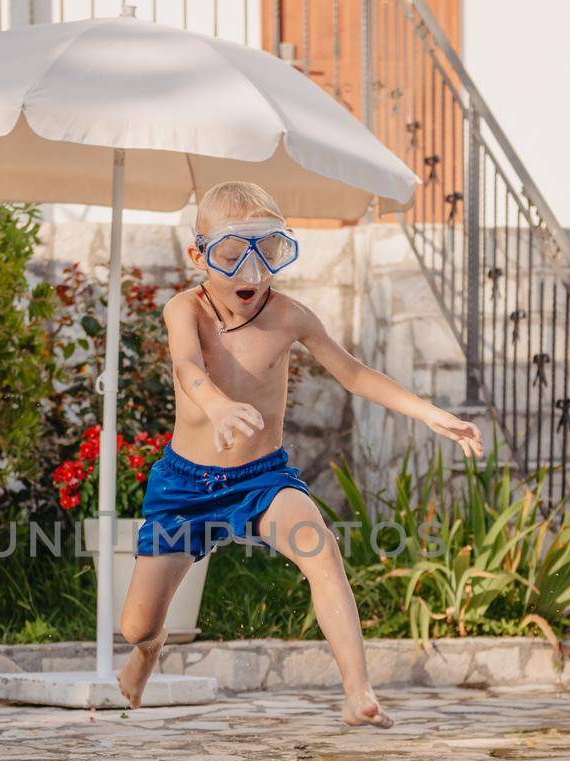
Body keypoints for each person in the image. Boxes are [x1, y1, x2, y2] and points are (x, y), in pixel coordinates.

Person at [114, 180, 484, 724]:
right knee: (136, 626)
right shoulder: (183, 310)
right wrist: (217, 406)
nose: (252, 274)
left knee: (322, 550)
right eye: (233, 257)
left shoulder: (290, 316)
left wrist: (431, 413)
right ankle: (149, 651)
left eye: (269, 254)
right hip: (184, 487)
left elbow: (355, 374)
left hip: (261, 479)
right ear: (199, 256)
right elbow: (188, 368)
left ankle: (358, 692)